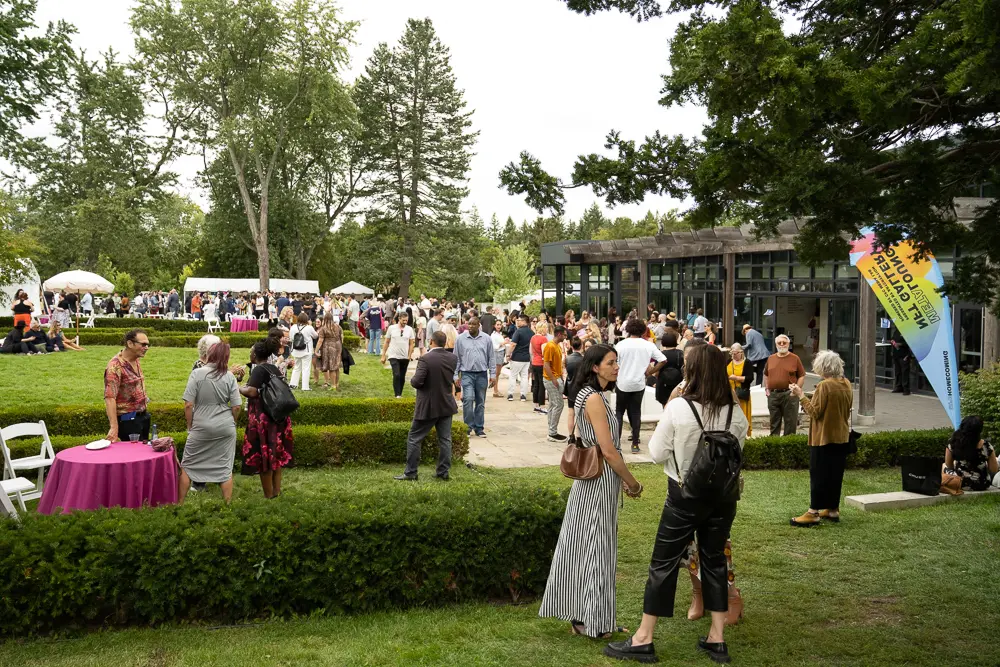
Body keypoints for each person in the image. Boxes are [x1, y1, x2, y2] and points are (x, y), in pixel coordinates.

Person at [607, 344, 748, 665]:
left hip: (685, 494)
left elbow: (656, 453)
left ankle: (643, 638)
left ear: (693, 371)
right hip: (724, 498)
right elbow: (737, 451)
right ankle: (717, 638)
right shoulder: (735, 412)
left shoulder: (680, 408)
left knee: (663, 563)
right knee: (714, 561)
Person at [539, 344, 643, 639]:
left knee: (584, 548)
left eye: (616, 362)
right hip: (597, 484)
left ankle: (588, 618)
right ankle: (594, 623)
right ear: (595, 367)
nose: (616, 367)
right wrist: (632, 481)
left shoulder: (590, 395)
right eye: (611, 363)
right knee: (597, 550)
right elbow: (609, 452)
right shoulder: (594, 398)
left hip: (594, 482)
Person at [789, 350, 854, 526]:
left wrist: (800, 395)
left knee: (818, 474)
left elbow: (814, 412)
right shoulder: (846, 383)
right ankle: (833, 509)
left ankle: (813, 512)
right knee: (835, 474)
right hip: (841, 436)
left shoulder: (825, 386)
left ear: (822, 367)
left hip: (823, 437)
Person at [179, 342, 240, 504]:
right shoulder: (229, 376)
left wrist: (190, 425)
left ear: (209, 355)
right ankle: (227, 503)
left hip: (201, 423)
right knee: (226, 467)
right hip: (225, 425)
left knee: (188, 465)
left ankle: (178, 504)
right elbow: (236, 406)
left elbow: (188, 404)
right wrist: (233, 422)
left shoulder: (197, 374)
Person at [395, 331, 459, 481]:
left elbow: (417, 382)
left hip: (428, 405)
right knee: (445, 439)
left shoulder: (426, 359)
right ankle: (443, 472)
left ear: (431, 341)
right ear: (445, 342)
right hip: (446, 403)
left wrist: (411, 379)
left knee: (414, 438)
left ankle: (411, 472)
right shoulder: (452, 358)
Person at [239, 341, 294, 498]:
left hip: (263, 419)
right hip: (277, 416)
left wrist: (238, 388)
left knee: (265, 460)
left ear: (255, 355)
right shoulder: (273, 368)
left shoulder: (259, 370)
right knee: (276, 457)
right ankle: (276, 492)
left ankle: (268, 495)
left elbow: (252, 392)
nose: (250, 355)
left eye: (251, 352)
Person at [615, 318, 667, 454]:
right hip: (639, 383)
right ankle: (635, 443)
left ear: (628, 329)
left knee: (619, 412)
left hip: (622, 382)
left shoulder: (620, 345)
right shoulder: (648, 345)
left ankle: (616, 442)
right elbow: (663, 360)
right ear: (644, 331)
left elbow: (615, 363)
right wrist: (650, 372)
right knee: (636, 412)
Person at [104, 329, 151, 443]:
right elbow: (110, 398)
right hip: (128, 420)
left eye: (148, 345)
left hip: (143, 416)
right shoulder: (115, 367)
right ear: (130, 344)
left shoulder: (135, 359)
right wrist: (114, 428)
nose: (147, 348)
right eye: (143, 344)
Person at [453, 317, 496, 438]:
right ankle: (468, 426)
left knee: (480, 402)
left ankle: (479, 428)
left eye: (473, 324)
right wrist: (455, 375)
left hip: (482, 374)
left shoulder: (486, 339)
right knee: (468, 399)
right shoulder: (460, 339)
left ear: (479, 325)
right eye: (469, 324)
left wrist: (493, 375)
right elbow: (456, 358)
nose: (470, 326)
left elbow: (491, 357)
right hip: (466, 374)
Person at [942, 415, 999, 491]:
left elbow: (949, 465)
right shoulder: (987, 446)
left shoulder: (953, 443)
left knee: (943, 465)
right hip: (981, 484)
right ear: (980, 430)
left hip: (959, 483)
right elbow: (993, 469)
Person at [764, 334, 806, 436]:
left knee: (790, 424)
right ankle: (774, 448)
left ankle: (789, 447)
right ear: (776, 344)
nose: (782, 344)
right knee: (774, 424)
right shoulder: (771, 358)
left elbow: (802, 375)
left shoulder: (795, 358)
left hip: (789, 395)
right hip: (773, 395)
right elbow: (766, 374)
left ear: (788, 344)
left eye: (784, 342)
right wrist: (767, 388)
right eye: (779, 343)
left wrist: (796, 390)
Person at [542, 325, 569, 442]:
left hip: (556, 377)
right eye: (564, 335)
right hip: (551, 379)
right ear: (559, 334)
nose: (565, 337)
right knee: (558, 404)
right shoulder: (550, 346)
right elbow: (546, 364)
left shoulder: (557, 346)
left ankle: (552, 430)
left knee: (554, 404)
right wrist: (553, 379)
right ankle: (552, 432)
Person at [382, 311, 416, 398]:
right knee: (396, 374)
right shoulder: (391, 328)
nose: (405, 322)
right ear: (399, 319)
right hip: (393, 355)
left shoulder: (409, 329)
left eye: (406, 320)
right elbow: (387, 342)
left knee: (402, 376)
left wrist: (409, 355)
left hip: (404, 356)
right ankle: (397, 394)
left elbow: (411, 343)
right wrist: (383, 355)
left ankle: (399, 393)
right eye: (403, 320)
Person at [727, 343, 753, 436]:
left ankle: (745, 435)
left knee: (743, 416)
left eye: (736, 353)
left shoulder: (747, 363)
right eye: (732, 353)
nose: (734, 355)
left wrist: (737, 378)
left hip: (742, 393)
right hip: (730, 394)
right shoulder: (728, 361)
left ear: (741, 352)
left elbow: (750, 378)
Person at [288, 312, 318, 391]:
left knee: (297, 367)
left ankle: (293, 384)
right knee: (306, 369)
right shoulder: (309, 327)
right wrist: (311, 325)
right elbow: (315, 335)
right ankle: (305, 387)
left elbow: (291, 338)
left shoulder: (293, 327)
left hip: (296, 350)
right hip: (306, 351)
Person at [507, 314, 533, 402]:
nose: (517, 322)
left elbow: (513, 344)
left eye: (519, 320)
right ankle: (523, 395)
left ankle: (510, 394)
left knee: (513, 376)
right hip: (526, 358)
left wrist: (508, 354)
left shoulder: (518, 332)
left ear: (524, 321)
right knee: (524, 377)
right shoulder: (531, 332)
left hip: (517, 357)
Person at [563, 337, 585, 443]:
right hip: (581, 389)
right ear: (582, 346)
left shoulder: (567, 359)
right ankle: (579, 436)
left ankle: (571, 436)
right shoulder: (584, 360)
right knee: (580, 414)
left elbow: (565, 372)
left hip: (570, 388)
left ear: (572, 346)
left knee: (571, 413)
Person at [655, 331, 685, 407]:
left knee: (665, 406)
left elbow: (656, 372)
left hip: (663, 385)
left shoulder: (660, 355)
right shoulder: (681, 353)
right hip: (678, 384)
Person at [315, 312, 343, 390]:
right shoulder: (338, 326)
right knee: (336, 366)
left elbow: (320, 340)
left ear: (324, 319)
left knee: (332, 367)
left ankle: (333, 385)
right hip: (338, 346)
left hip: (328, 347)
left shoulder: (323, 328)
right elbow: (341, 337)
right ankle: (337, 384)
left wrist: (316, 350)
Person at [889, 327, 912, 395]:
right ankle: (898, 387)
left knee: (905, 372)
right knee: (898, 372)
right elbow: (892, 338)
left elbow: (909, 343)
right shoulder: (896, 331)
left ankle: (906, 389)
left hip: (904, 355)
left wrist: (900, 344)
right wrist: (892, 341)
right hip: (896, 355)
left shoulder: (907, 331)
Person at [490, 319, 507, 398]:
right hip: (497, 354)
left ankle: (496, 390)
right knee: (496, 374)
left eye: (500, 324)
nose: (499, 326)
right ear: (494, 325)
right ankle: (495, 391)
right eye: (497, 324)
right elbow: (495, 347)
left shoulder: (498, 334)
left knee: (498, 373)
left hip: (500, 353)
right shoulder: (493, 335)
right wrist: (503, 343)